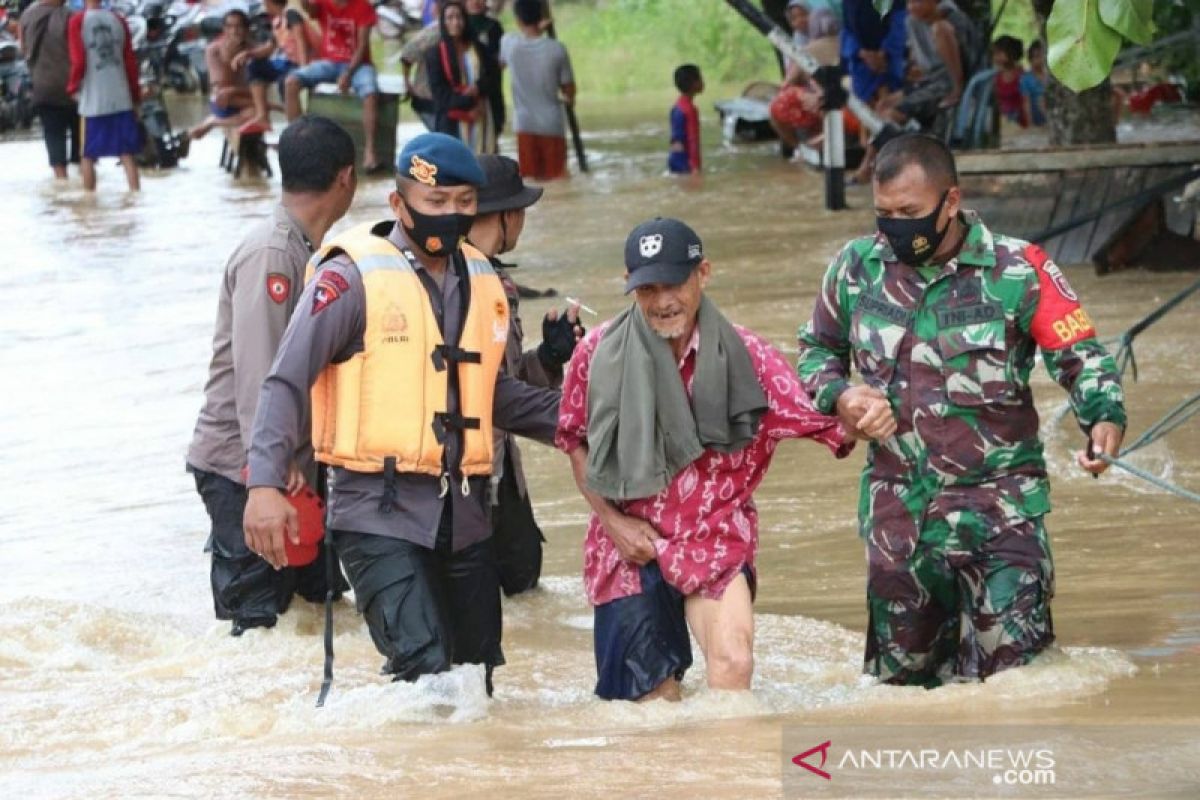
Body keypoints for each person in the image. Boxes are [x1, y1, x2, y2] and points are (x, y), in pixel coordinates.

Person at [796, 134, 1126, 688]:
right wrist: (842, 397)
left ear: (951, 201)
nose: (896, 227)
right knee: (904, 695)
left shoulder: (1019, 269)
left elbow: (1082, 356)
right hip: (899, 520)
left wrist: (1104, 419)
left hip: (1003, 514)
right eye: (884, 214)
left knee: (1019, 687)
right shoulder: (855, 268)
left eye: (910, 213)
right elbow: (816, 354)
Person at [242, 133, 562, 694]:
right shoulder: (349, 280)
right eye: (435, 204)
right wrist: (264, 484)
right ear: (399, 204)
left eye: (465, 204)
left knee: (474, 684)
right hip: (376, 512)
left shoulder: (482, 280)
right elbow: (286, 379)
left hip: (465, 516)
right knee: (426, 676)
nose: (451, 216)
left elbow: (493, 395)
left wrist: (587, 423)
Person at [556, 218, 851, 702]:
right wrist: (613, 523)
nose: (662, 300)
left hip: (713, 536)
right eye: (647, 288)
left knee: (734, 665)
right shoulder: (596, 353)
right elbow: (572, 439)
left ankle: (731, 775)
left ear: (704, 274)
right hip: (630, 544)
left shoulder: (749, 355)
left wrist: (859, 410)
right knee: (651, 710)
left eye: (673, 283)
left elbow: (817, 418)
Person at [188, 116, 357, 636]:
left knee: (313, 617)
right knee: (259, 627)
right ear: (346, 178)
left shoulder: (304, 249)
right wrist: (272, 471)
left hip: (286, 468)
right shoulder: (273, 254)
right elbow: (261, 375)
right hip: (253, 473)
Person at [468, 154, 583, 594]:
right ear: (508, 215)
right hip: (473, 479)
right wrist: (582, 415)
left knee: (523, 589)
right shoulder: (467, 283)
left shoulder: (493, 278)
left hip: (502, 470)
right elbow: (493, 398)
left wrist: (551, 358)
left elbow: (507, 383)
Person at [287, 0, 381, 171]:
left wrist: (348, 73)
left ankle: (370, 151)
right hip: (329, 62)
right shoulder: (323, 3)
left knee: (370, 93)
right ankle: (294, 140)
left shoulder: (363, 6)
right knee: (291, 82)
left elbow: (362, 46)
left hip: (359, 64)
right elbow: (310, 10)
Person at [66, 0, 141, 191]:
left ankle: (89, 200)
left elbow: (78, 61)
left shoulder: (77, 22)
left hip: (93, 100)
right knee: (126, 153)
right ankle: (135, 195)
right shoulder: (118, 20)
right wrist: (135, 94)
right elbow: (130, 62)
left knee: (88, 155)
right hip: (121, 96)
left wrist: (72, 86)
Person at [500, 0, 575, 181]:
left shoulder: (508, 43)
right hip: (552, 125)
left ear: (518, 20)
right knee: (557, 179)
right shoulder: (557, 49)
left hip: (524, 125)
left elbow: (500, 65)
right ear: (542, 18)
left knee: (530, 180)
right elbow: (569, 91)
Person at [426, 0, 501, 153]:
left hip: (482, 117)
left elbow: (493, 76)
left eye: (459, 17)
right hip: (452, 123)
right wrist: (468, 103)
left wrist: (478, 88)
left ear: (465, 20)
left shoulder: (480, 49)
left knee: (485, 165)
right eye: (450, 18)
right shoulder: (435, 54)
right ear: (443, 22)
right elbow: (440, 93)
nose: (455, 22)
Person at [768, 33, 859, 159]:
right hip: (841, 107)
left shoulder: (808, 51)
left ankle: (801, 148)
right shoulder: (850, 46)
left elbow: (786, 85)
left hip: (843, 109)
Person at [235, 0, 319, 132]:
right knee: (254, 67)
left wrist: (304, 70)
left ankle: (296, 128)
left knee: (284, 82)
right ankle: (262, 116)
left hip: (299, 64)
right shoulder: (277, 21)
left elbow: (301, 40)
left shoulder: (291, 15)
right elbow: (269, 47)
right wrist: (248, 54)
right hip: (285, 63)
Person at [20, 0, 79, 179]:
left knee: (53, 136)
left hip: (44, 87)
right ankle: (83, 182)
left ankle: (61, 181)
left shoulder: (27, 16)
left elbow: (24, 50)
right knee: (81, 140)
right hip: (73, 88)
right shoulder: (71, 17)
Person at [187, 10, 256, 141]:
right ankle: (214, 122)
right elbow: (222, 91)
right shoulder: (214, 50)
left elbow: (258, 86)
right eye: (230, 27)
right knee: (258, 110)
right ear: (224, 29)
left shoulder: (253, 49)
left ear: (247, 29)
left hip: (246, 97)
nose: (234, 31)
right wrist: (229, 58)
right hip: (225, 101)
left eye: (239, 27)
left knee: (257, 111)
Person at [841, 0, 906, 107]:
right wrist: (862, 53)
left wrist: (884, 53)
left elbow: (900, 22)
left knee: (894, 107)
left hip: (892, 63)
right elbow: (846, 31)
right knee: (869, 114)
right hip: (862, 68)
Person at [400, 0, 446, 130]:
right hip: (428, 98)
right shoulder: (434, 32)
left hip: (442, 98)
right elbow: (407, 54)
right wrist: (407, 83)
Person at [668, 64, 702, 175]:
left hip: (674, 158)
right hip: (686, 161)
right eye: (700, 78)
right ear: (694, 83)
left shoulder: (676, 106)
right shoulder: (690, 110)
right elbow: (693, 140)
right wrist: (695, 167)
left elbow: (675, 139)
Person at [992, 35, 1026, 126]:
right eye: (994, 53)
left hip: (1020, 121)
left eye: (998, 53)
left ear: (1011, 53)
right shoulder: (996, 76)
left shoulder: (1022, 75)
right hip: (1004, 121)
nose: (995, 57)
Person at [1020, 39, 1047, 128]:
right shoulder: (1026, 79)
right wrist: (1030, 125)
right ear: (1030, 59)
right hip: (1037, 119)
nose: (1040, 59)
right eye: (1036, 56)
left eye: (1041, 56)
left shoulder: (1049, 77)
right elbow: (1026, 104)